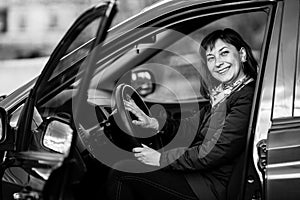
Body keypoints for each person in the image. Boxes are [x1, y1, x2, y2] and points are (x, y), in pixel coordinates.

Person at [105, 28, 258, 200]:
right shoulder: (224, 94)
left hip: (209, 187)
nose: (218, 63)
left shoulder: (245, 97)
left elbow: (214, 151)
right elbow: (190, 126)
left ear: (242, 55)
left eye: (224, 53)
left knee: (123, 172)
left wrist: (161, 159)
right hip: (200, 176)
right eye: (211, 58)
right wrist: (155, 124)